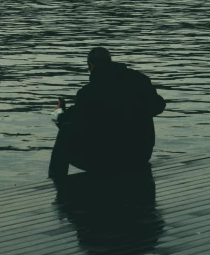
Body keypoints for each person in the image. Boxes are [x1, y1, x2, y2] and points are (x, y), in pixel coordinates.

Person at [48, 46, 166, 178]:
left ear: (91, 66)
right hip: (140, 155)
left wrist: (58, 112)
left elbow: (73, 120)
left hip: (105, 161)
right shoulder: (140, 81)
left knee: (65, 130)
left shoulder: (88, 93)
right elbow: (159, 105)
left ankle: (55, 180)